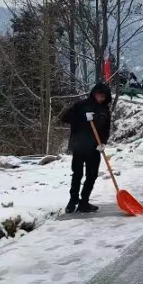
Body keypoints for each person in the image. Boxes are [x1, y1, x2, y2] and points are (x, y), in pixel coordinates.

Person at [59, 83, 112, 214]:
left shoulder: (105, 110)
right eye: (99, 95)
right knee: (77, 174)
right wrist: (82, 117)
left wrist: (103, 143)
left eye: (103, 96)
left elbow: (106, 129)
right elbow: (65, 117)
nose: (101, 98)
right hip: (79, 145)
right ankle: (72, 201)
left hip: (95, 148)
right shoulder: (81, 105)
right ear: (94, 93)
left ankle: (84, 202)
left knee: (92, 175)